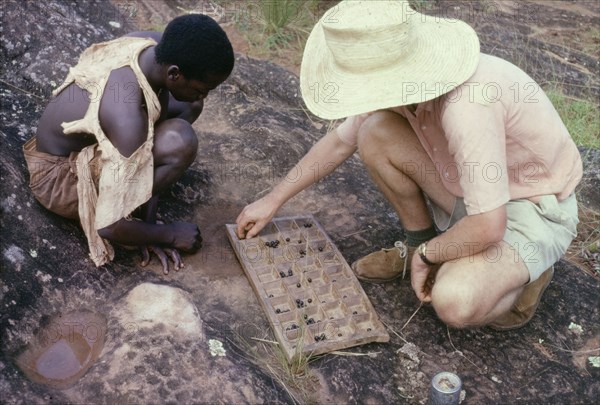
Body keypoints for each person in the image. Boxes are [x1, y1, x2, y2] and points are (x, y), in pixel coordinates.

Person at [236, 1, 582, 330]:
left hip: (529, 208)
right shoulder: (402, 85)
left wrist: (431, 256)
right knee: (374, 131)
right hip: (471, 190)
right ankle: (421, 242)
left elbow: (490, 224)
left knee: (454, 301)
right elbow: (342, 141)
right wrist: (273, 200)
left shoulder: (468, 105)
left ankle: (525, 279)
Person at [23, 14, 234, 274]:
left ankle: (136, 198)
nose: (206, 95)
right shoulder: (127, 118)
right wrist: (164, 234)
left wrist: (148, 220)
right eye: (203, 88)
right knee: (180, 140)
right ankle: (131, 202)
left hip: (106, 136)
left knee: (190, 103)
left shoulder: (153, 47)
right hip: (59, 176)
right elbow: (108, 226)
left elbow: (167, 110)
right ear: (174, 74)